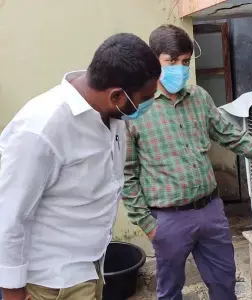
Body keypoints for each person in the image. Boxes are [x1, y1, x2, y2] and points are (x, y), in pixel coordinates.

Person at [121, 24, 252, 300]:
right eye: (171, 62)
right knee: (170, 292)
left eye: (185, 62)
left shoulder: (199, 98)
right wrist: (147, 224)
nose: (180, 68)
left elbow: (231, 136)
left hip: (210, 211)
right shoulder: (138, 108)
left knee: (224, 286)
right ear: (154, 62)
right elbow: (127, 174)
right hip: (168, 219)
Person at [0, 33, 161, 300]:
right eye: (145, 99)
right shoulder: (42, 129)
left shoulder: (111, 115)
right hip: (49, 284)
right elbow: (8, 216)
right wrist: (14, 294)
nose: (148, 106)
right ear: (117, 96)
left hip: (89, 268)